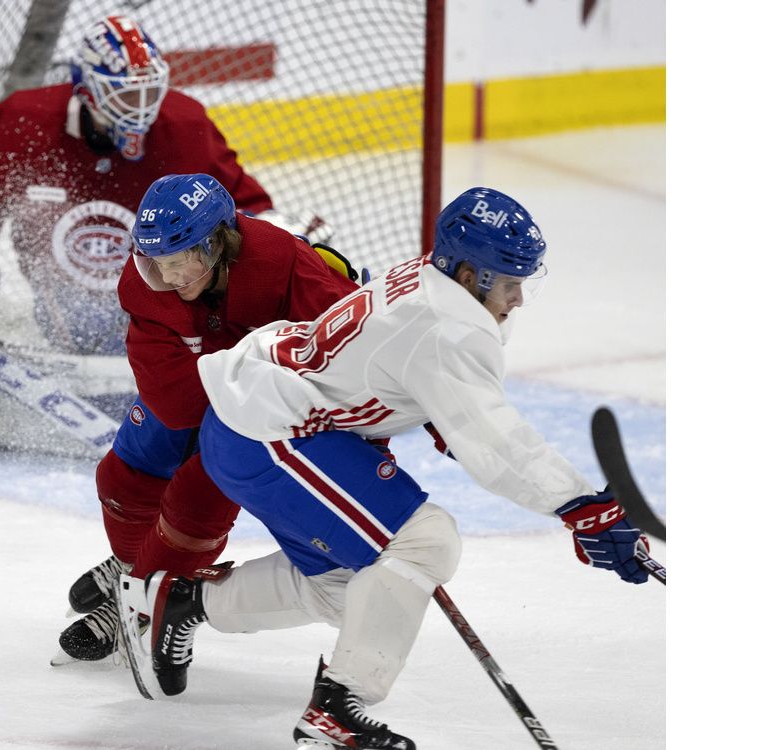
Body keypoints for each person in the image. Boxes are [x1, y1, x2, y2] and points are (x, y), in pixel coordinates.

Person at [117, 187, 650, 749]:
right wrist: (583, 507)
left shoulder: (435, 285)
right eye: (510, 282)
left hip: (264, 418)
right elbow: (494, 443)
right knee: (426, 541)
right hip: (266, 428)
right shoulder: (449, 326)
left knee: (354, 590)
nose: (518, 299)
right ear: (470, 275)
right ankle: (337, 711)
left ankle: (183, 601)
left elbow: (412, 380)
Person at [0, 15, 327, 451]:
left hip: (168, 319)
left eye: (150, 91)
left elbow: (247, 212)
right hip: (63, 320)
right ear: (87, 90)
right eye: (127, 93)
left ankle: (299, 376)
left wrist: (286, 236)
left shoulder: (184, 125)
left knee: (266, 255)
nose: (143, 107)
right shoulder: (23, 121)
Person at [54, 173, 359, 663]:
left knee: (198, 504)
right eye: (156, 265)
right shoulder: (144, 285)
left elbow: (353, 352)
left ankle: (140, 605)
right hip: (197, 388)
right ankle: (132, 569)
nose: (168, 279)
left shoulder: (283, 264)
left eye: (179, 264)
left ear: (219, 244)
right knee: (122, 476)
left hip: (270, 407)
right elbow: (171, 401)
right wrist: (231, 386)